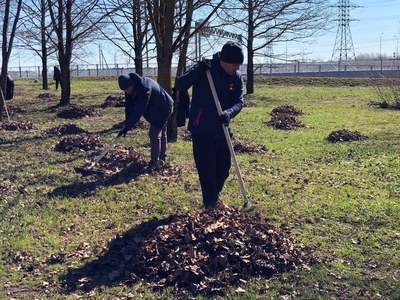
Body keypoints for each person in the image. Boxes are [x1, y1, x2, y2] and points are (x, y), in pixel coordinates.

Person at [174, 41, 245, 209]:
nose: (237, 68)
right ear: (224, 61)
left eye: (239, 65)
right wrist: (197, 69)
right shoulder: (205, 69)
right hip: (202, 128)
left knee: (224, 168)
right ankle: (210, 203)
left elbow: (239, 102)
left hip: (222, 128)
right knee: (207, 169)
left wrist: (229, 113)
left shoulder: (236, 76)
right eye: (235, 64)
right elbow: (180, 85)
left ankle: (214, 196)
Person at [117, 73, 174, 170]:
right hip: (156, 107)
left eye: (127, 89)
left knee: (154, 133)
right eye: (124, 90)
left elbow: (140, 109)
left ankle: (154, 163)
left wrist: (130, 125)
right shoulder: (130, 89)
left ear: (132, 85)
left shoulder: (144, 87)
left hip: (164, 106)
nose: (127, 92)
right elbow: (129, 107)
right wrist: (127, 124)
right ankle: (162, 158)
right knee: (161, 132)